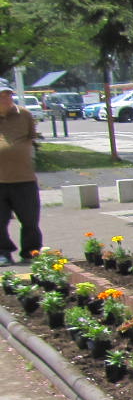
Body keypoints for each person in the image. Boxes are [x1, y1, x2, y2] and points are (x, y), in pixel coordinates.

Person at [0, 84, 43, 267]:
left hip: (24, 179)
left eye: (8, 95)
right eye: (2, 96)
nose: (6, 99)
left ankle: (31, 252)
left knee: (30, 220)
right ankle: (3, 253)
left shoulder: (24, 114)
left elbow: (31, 137)